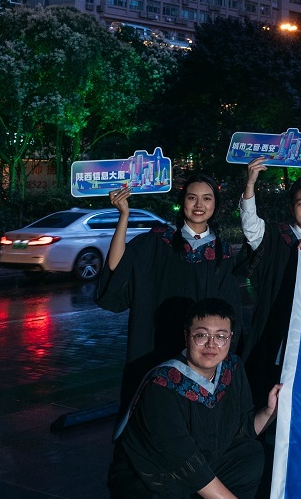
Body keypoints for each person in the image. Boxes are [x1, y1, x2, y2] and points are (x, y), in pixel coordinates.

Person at [88, 298, 279, 499]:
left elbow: (241, 434)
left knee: (255, 458)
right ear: (187, 336)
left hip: (198, 474)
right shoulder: (163, 385)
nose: (211, 345)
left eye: (221, 336)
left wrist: (269, 412)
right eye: (202, 335)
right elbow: (186, 463)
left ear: (231, 337)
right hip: (150, 481)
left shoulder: (231, 369)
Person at [96, 174, 243, 414]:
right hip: (155, 342)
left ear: (215, 205)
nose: (199, 204)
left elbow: (230, 310)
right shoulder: (158, 241)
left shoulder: (221, 253)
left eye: (207, 198)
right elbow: (117, 267)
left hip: (200, 348)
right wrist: (124, 216)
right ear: (182, 202)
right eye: (192, 197)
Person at [240, 161, 301, 401]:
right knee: (269, 390)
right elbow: (251, 227)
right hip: (276, 330)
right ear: (292, 208)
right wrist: (250, 184)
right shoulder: (276, 238)